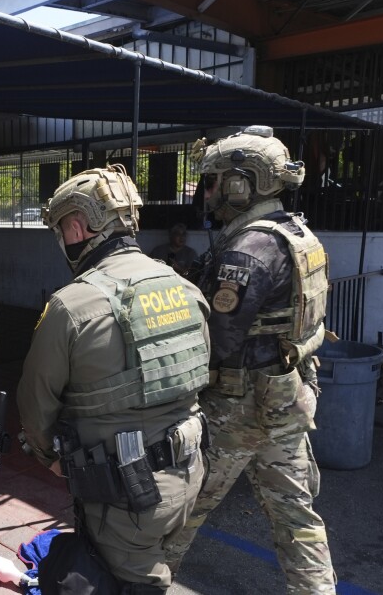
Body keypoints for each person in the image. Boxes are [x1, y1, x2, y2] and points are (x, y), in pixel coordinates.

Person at [17, 164, 212, 593]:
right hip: (189, 471)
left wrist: (48, 456)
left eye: (60, 230)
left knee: (133, 584)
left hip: (125, 496)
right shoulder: (184, 288)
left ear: (76, 226)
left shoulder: (72, 305)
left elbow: (35, 403)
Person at [164, 125, 336, 593]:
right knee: (297, 520)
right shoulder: (297, 234)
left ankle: (142, 585)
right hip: (286, 399)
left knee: (183, 509)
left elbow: (217, 341)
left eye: (214, 181)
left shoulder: (247, 250)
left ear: (242, 184)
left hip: (237, 411)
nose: (207, 193)